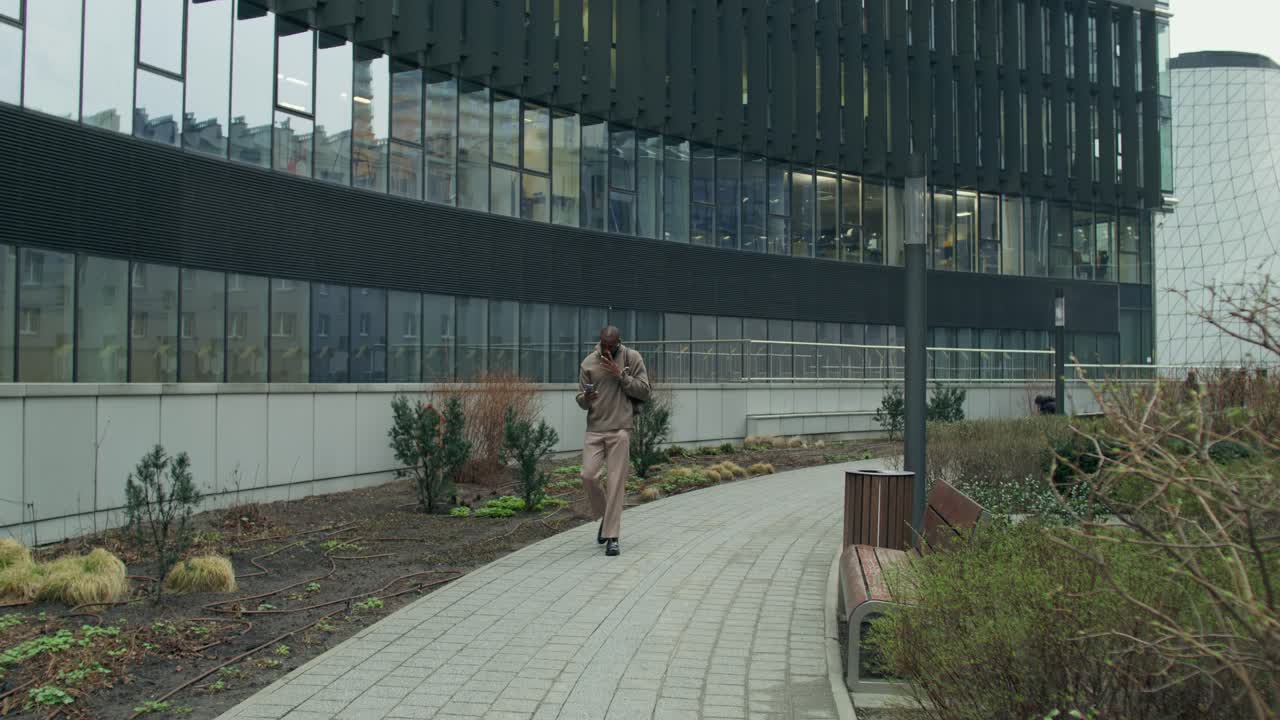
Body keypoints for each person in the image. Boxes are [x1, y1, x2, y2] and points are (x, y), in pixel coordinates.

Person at [576, 326, 651, 557]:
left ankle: (612, 537)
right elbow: (580, 399)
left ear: (619, 342)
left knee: (616, 482)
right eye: (604, 344)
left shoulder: (632, 358)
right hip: (595, 429)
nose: (607, 349)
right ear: (600, 341)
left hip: (620, 429)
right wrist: (586, 398)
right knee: (588, 476)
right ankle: (606, 519)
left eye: (612, 345)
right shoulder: (588, 363)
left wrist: (621, 375)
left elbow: (645, 391)